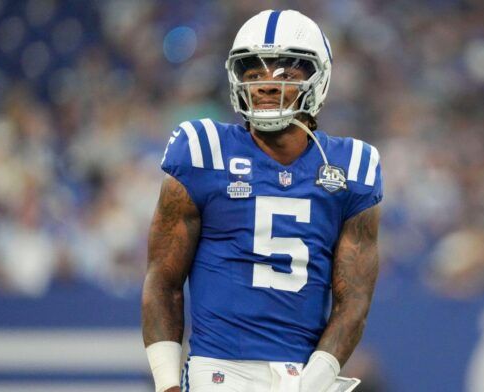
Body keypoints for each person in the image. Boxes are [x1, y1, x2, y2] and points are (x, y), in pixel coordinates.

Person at [141, 9, 383, 392]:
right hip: (218, 371)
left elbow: (354, 301)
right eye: (254, 74)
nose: (267, 86)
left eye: (285, 75)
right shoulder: (204, 152)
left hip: (304, 374)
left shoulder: (351, 167)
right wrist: (168, 384)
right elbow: (163, 281)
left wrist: (313, 382)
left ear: (318, 79)